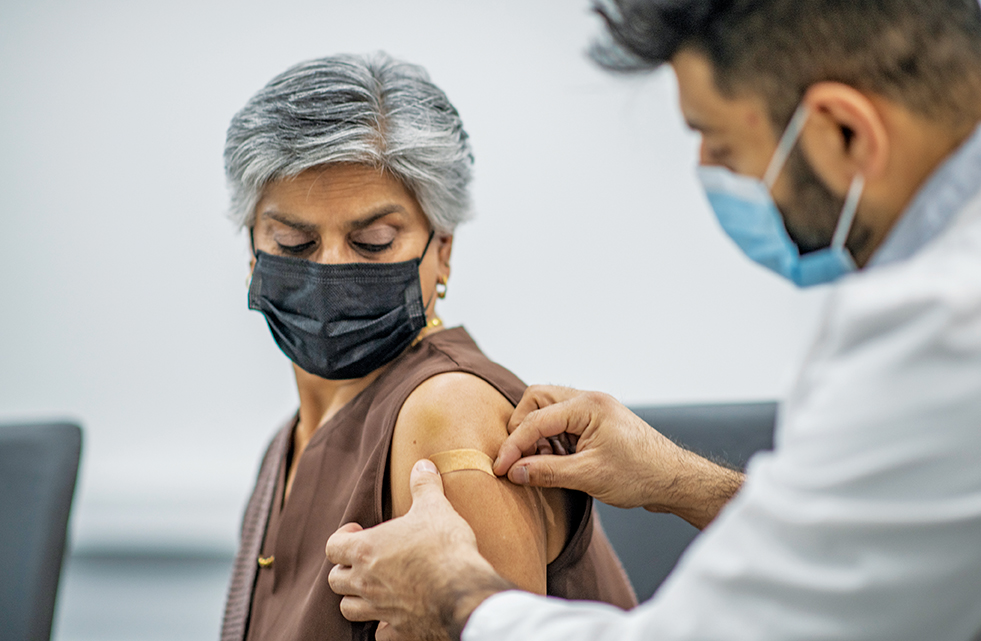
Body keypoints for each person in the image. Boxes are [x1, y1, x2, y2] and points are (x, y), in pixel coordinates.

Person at [325, 1, 981, 640]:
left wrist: (455, 597)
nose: (707, 172)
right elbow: (881, 541)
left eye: (719, 144)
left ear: (843, 131)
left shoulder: (942, 327)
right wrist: (679, 480)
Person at [218, 52, 636, 641]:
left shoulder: (447, 415)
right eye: (294, 241)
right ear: (252, 248)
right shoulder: (284, 446)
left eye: (372, 242)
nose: (331, 269)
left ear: (442, 251)